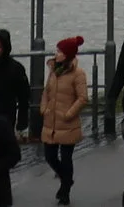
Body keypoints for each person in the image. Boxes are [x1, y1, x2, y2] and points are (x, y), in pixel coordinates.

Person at [38, 36, 88, 204]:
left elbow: (82, 98)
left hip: (68, 123)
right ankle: (67, 179)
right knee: (50, 156)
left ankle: (65, 190)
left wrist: (68, 114)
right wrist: (43, 108)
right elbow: (47, 91)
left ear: (67, 54)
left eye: (59, 51)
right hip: (50, 121)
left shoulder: (78, 74)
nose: (56, 53)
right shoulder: (53, 70)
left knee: (66, 158)